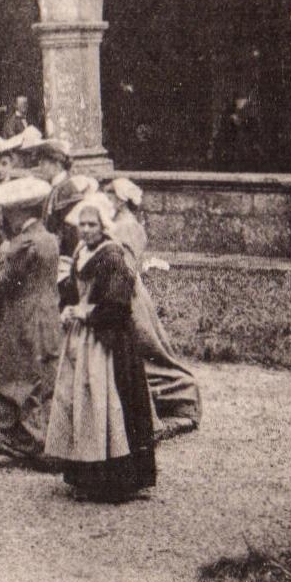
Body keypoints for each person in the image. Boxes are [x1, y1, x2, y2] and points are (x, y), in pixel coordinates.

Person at [44, 194, 156, 502]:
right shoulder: (81, 251)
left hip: (108, 341)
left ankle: (115, 480)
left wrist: (86, 312)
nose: (86, 229)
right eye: (82, 224)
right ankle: (86, 474)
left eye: (92, 224)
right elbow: (71, 290)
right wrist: (67, 308)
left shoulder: (112, 256)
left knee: (106, 405)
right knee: (80, 402)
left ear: (104, 226)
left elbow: (118, 307)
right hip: (81, 338)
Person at [104, 177, 201, 430]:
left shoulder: (127, 226)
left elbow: (126, 262)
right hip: (122, 286)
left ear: (121, 200)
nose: (106, 201)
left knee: (145, 342)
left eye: (110, 196)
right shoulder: (118, 223)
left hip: (129, 290)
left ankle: (171, 394)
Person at [0, 176, 62, 466]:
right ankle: (52, 435)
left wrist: (3, 257)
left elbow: (3, 285)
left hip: (22, 314)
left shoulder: (20, 245)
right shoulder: (50, 240)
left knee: (17, 371)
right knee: (43, 371)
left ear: (18, 213)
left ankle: (26, 436)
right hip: (48, 311)